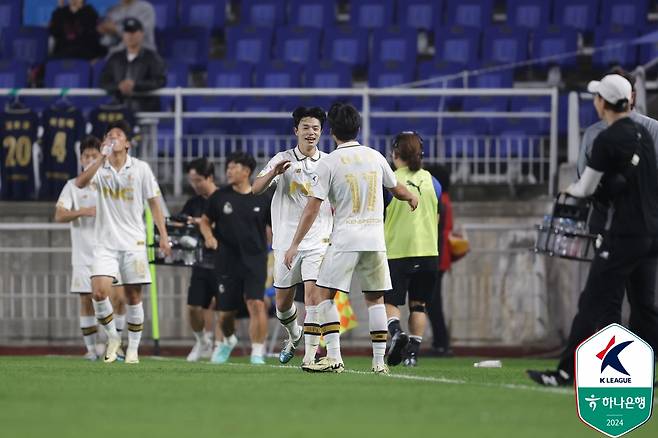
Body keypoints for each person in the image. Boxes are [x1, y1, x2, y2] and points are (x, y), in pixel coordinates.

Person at [528, 74, 658, 386]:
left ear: (603, 103)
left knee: (594, 302)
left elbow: (585, 186)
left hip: (621, 232)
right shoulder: (646, 134)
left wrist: (567, 194)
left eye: (597, 97)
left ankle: (564, 372)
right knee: (644, 307)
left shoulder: (605, 138)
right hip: (651, 232)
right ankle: (637, 372)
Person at [284, 103, 418, 374]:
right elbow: (397, 189)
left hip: (345, 238)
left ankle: (334, 356)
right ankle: (379, 363)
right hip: (374, 239)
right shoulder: (375, 156)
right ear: (358, 127)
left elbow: (312, 207)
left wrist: (295, 243)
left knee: (323, 294)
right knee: (375, 299)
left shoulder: (329, 162)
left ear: (331, 131)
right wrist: (412, 197)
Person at [74, 119, 171, 364]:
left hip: (133, 243)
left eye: (118, 135)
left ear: (127, 143)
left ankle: (133, 350)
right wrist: (100, 157)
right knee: (97, 292)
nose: (113, 138)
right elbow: (80, 183)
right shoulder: (100, 169)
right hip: (105, 244)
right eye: (109, 136)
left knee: (133, 297)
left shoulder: (141, 169)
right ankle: (112, 337)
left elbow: (154, 203)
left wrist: (164, 236)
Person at [252, 106, 337, 367]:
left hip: (318, 240)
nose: (311, 133)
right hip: (285, 242)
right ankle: (294, 334)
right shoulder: (282, 158)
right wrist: (273, 174)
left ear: (321, 132)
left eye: (315, 128)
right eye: (306, 128)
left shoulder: (329, 163)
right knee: (282, 306)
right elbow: (255, 189)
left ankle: (311, 356)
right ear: (296, 130)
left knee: (313, 298)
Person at [199, 152, 272, 365]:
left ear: (247, 172)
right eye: (228, 167)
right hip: (227, 261)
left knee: (257, 303)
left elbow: (273, 227)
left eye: (233, 167)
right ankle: (228, 340)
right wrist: (209, 236)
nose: (228, 171)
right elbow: (204, 221)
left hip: (256, 259)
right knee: (225, 313)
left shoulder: (263, 198)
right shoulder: (219, 197)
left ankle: (257, 352)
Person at [383, 132, 442, 368]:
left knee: (390, 302)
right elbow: (436, 219)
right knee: (419, 305)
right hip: (428, 252)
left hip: (397, 251)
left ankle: (396, 333)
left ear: (395, 153)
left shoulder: (389, 181)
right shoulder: (433, 182)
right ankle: (413, 355)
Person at [55, 136, 101, 360]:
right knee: (86, 299)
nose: (90, 160)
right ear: (81, 159)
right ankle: (92, 349)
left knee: (112, 298)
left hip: (109, 253)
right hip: (83, 255)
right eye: (86, 156)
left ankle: (114, 343)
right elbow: (59, 214)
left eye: (94, 156)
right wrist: (83, 211)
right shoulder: (72, 186)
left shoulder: (110, 184)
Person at [179, 158, 218, 362]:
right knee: (194, 307)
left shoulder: (223, 198)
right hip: (200, 261)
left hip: (223, 261)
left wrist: (202, 224)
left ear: (209, 177)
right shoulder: (193, 203)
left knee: (218, 305)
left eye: (198, 180)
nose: (194, 185)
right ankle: (202, 340)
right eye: (191, 181)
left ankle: (219, 344)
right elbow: (179, 227)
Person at [99, 17, 166, 112]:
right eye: (127, 32)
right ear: (123, 35)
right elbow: (103, 82)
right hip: (119, 110)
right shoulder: (115, 58)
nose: (130, 35)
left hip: (145, 111)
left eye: (134, 32)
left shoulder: (152, 57)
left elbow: (160, 81)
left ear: (142, 34)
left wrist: (135, 86)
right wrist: (119, 86)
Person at [428, 164, 454, 357]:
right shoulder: (446, 199)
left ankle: (441, 343)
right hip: (442, 257)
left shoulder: (439, 201)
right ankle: (441, 342)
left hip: (436, 256)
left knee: (433, 303)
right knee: (434, 302)